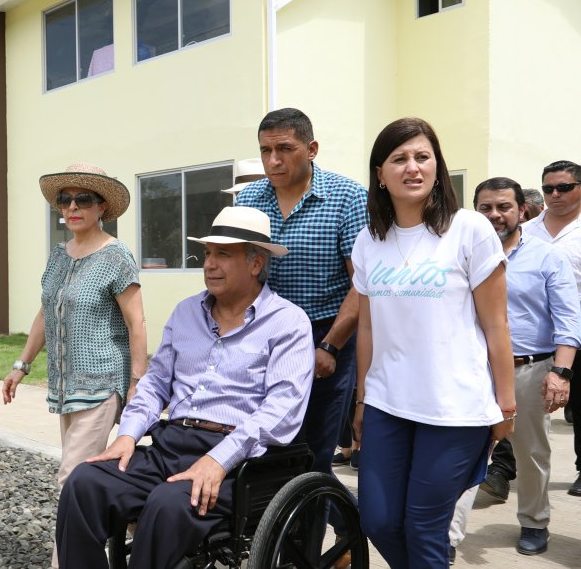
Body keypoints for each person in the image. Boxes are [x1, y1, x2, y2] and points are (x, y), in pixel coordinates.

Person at [55, 206, 312, 569]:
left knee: (166, 504)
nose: (209, 264)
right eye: (208, 253)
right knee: (84, 483)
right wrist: (127, 435)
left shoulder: (288, 323)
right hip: (171, 443)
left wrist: (218, 460)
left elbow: (281, 411)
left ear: (256, 264)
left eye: (224, 254)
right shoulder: (186, 312)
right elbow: (156, 383)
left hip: (239, 461)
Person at [351, 117, 516, 568]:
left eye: (423, 157)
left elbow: (497, 326)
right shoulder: (369, 240)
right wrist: (363, 400)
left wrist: (506, 404)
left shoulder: (469, 229)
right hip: (388, 401)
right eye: (399, 158)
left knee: (425, 526)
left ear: (437, 166)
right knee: (379, 521)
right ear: (380, 174)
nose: (412, 167)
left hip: (454, 407)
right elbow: (367, 327)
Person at [234, 108, 366, 561]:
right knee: (267, 448)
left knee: (311, 453)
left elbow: (362, 284)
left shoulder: (348, 198)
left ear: (311, 149)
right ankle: (271, 543)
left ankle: (309, 555)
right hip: (262, 337)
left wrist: (331, 346)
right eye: (266, 150)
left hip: (326, 337)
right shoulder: (249, 200)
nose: (274, 160)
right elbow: (233, 269)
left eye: (285, 149)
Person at [2, 162, 147, 567]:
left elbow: (137, 322)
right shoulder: (58, 256)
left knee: (71, 479)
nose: (72, 206)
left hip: (103, 383)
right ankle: (147, 525)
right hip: (65, 388)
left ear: (103, 206)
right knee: (93, 474)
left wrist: (138, 382)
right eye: (64, 200)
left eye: (83, 199)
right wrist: (22, 364)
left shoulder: (116, 256)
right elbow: (46, 313)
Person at [448, 177, 578, 558]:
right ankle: (448, 537)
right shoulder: (461, 254)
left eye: (503, 206)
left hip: (530, 371)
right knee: (463, 454)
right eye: (485, 207)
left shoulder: (546, 257)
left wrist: (561, 372)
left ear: (522, 210)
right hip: (473, 370)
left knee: (531, 453)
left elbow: (570, 320)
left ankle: (535, 522)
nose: (494, 215)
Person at [524, 160, 581, 497]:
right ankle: (502, 469)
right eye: (548, 188)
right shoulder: (528, 231)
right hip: (532, 334)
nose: (555, 194)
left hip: (576, 332)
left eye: (564, 187)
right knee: (516, 404)